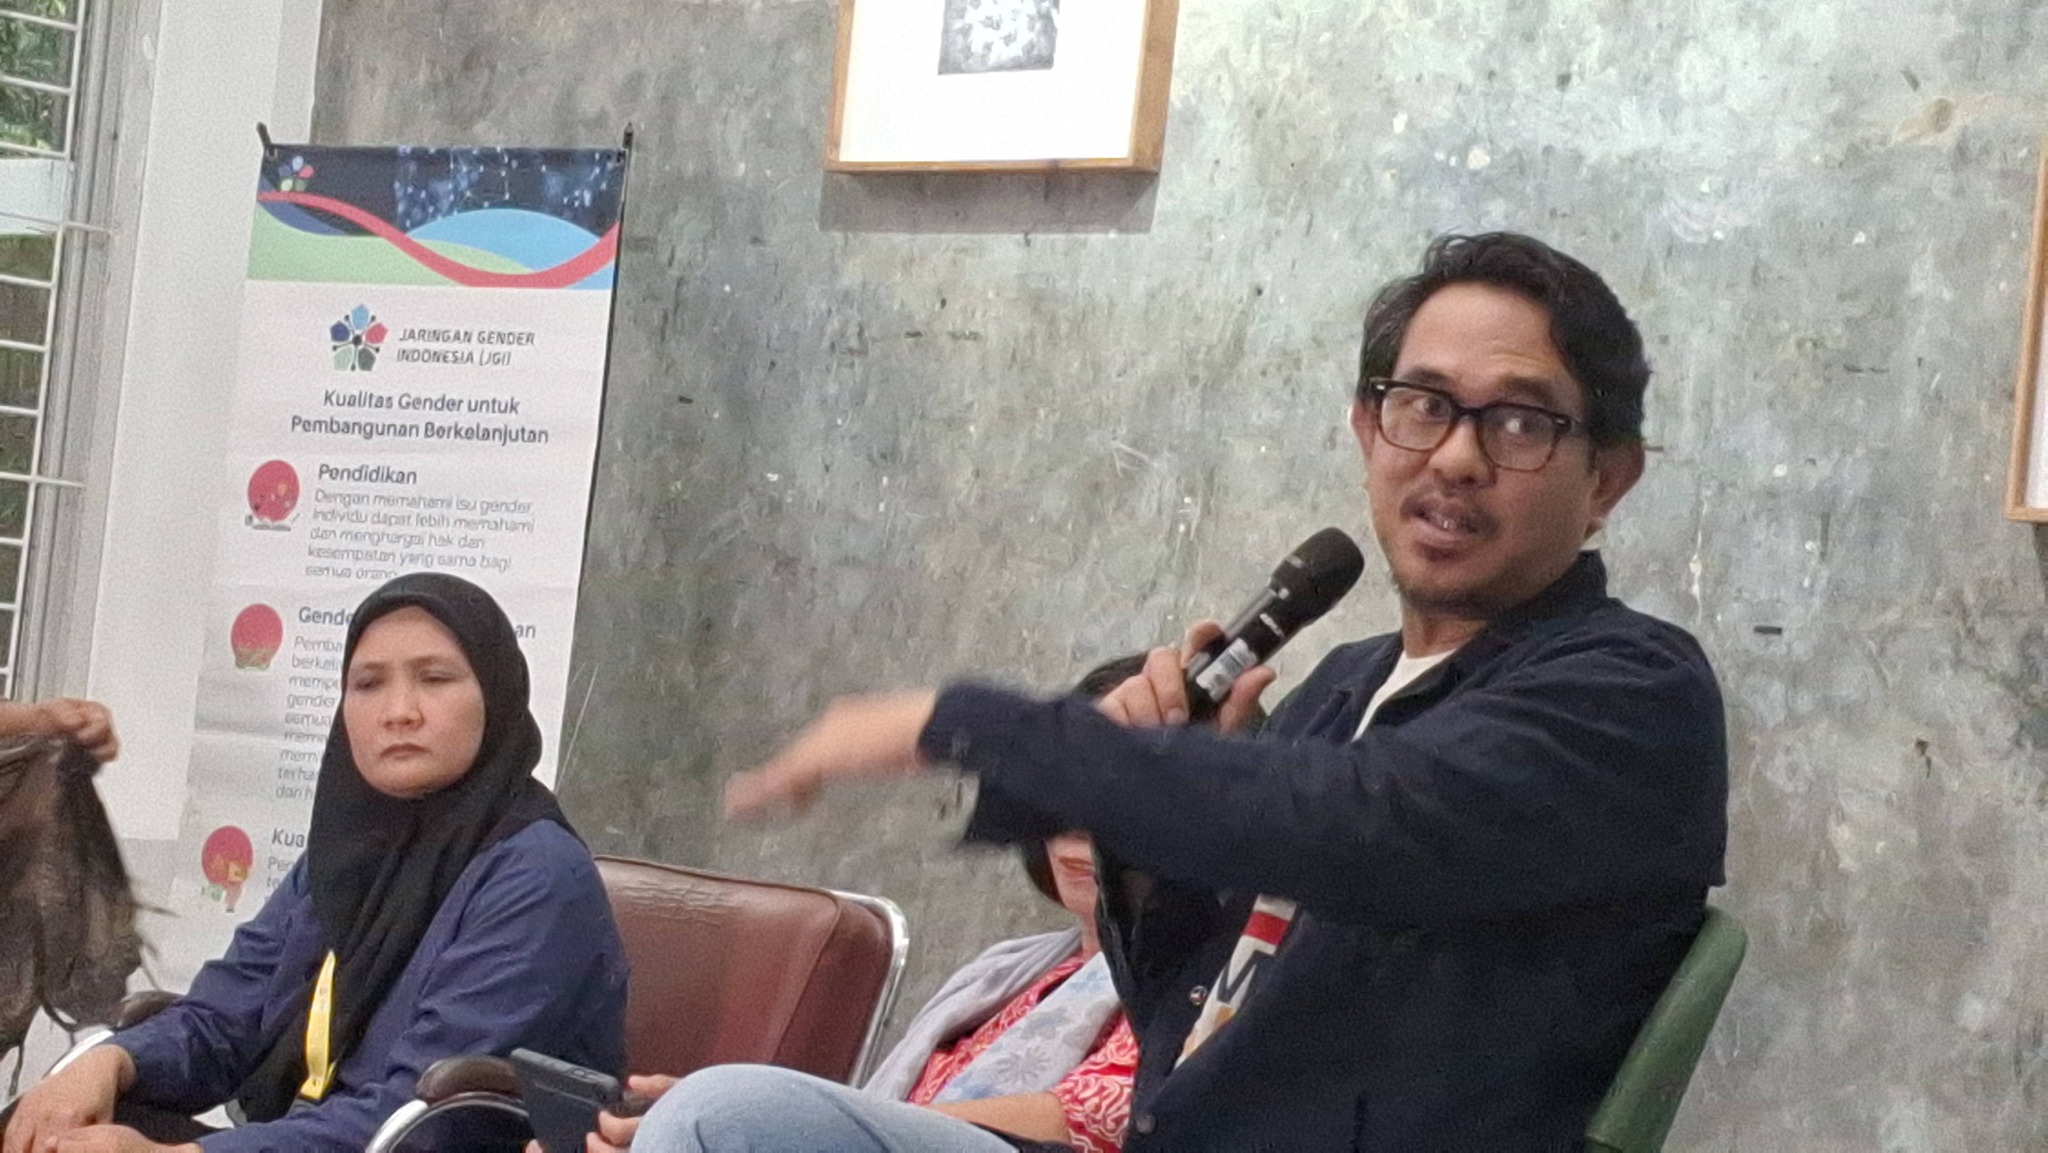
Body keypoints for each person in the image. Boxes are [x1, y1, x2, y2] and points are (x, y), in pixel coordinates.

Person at [719, 232, 1729, 1149]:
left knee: (728, 1121)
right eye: (1423, 406)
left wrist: (975, 726)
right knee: (742, 1115)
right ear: (1368, 429)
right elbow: (1190, 1015)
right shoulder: (1346, 684)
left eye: (1517, 422)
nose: (1457, 458)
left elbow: (1362, 826)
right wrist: (1160, 818)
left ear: (1606, 479)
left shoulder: (1630, 692)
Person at [4, 573, 628, 1153]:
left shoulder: (536, 875)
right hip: (311, 1138)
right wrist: (109, 1061)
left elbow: (424, 1119)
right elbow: (226, 1019)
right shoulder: (347, 854)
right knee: (49, 1132)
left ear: (496, 694)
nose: (399, 710)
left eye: (435, 679)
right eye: (368, 684)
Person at [570, 657, 1150, 1153]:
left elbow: (1092, 1121)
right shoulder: (1008, 971)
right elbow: (880, 1115)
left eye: (1122, 798)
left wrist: (784, 1123)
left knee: (716, 1112)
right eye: (1069, 792)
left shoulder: (1191, 989)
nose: (1080, 830)